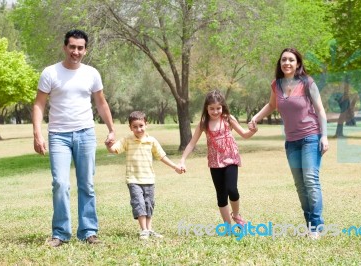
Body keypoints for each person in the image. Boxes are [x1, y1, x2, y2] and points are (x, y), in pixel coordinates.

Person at [32, 29, 115, 247]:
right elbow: (39, 104)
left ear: (85, 50)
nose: (75, 51)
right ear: (64, 47)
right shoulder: (50, 73)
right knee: (60, 183)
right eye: (72, 47)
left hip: (86, 133)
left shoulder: (92, 74)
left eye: (80, 48)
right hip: (58, 135)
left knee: (87, 184)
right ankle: (60, 233)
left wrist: (111, 129)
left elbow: (101, 103)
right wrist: (37, 133)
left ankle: (88, 231)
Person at [249, 48, 329, 239]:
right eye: (284, 59)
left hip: (311, 137)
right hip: (291, 142)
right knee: (300, 185)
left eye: (291, 60)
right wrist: (256, 117)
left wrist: (324, 136)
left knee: (311, 181)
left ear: (298, 64)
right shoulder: (276, 84)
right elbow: (272, 105)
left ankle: (316, 227)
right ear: (280, 63)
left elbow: (320, 111)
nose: (287, 63)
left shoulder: (307, 83)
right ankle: (310, 225)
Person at [179, 90, 257, 227]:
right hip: (215, 162)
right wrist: (182, 160)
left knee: (232, 189)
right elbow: (192, 143)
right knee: (221, 195)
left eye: (218, 108)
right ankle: (227, 226)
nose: (215, 111)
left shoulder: (228, 118)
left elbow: (244, 134)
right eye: (212, 109)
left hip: (230, 158)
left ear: (223, 107)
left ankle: (236, 215)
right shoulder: (204, 123)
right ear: (206, 108)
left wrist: (253, 131)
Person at [106, 111, 183, 240]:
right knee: (139, 203)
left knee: (149, 204)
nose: (138, 129)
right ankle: (143, 230)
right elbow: (115, 149)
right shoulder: (127, 140)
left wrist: (174, 166)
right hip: (133, 179)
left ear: (146, 124)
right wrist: (109, 145)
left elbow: (161, 156)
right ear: (130, 127)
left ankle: (149, 229)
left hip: (149, 179)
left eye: (141, 125)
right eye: (135, 126)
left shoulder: (151, 141)